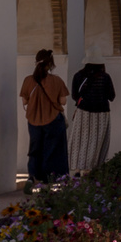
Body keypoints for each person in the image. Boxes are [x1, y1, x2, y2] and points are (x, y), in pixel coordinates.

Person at [19, 50, 70, 183]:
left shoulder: (28, 80)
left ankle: (33, 176)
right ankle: (51, 178)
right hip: (53, 119)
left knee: (35, 148)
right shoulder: (56, 80)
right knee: (53, 149)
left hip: (33, 120)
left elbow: (24, 101)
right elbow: (63, 101)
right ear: (50, 64)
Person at [67, 61, 116, 172]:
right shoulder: (105, 77)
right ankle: (91, 169)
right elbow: (112, 96)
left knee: (80, 140)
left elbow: (75, 95)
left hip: (83, 112)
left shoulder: (78, 75)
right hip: (102, 114)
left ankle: (77, 169)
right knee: (97, 142)